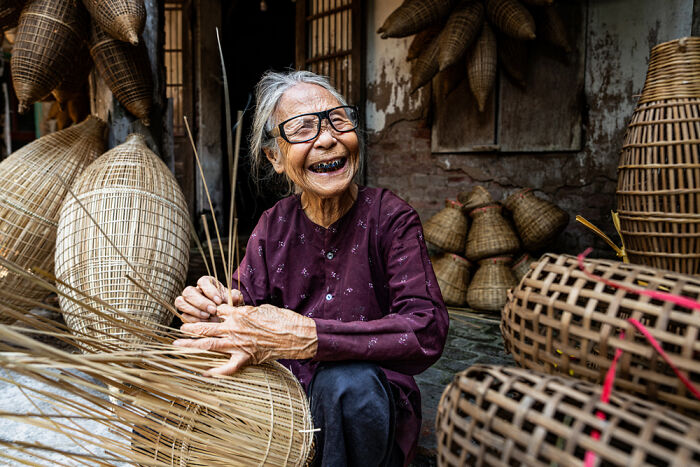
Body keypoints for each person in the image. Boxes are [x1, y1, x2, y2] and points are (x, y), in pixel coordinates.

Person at [173, 70, 449, 467]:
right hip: (284, 408)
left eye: (338, 121)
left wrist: (311, 336)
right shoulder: (273, 225)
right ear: (276, 158)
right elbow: (242, 314)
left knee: (347, 384)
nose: (326, 139)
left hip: (367, 409)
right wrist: (211, 309)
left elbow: (427, 329)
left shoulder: (391, 218)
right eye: (303, 129)